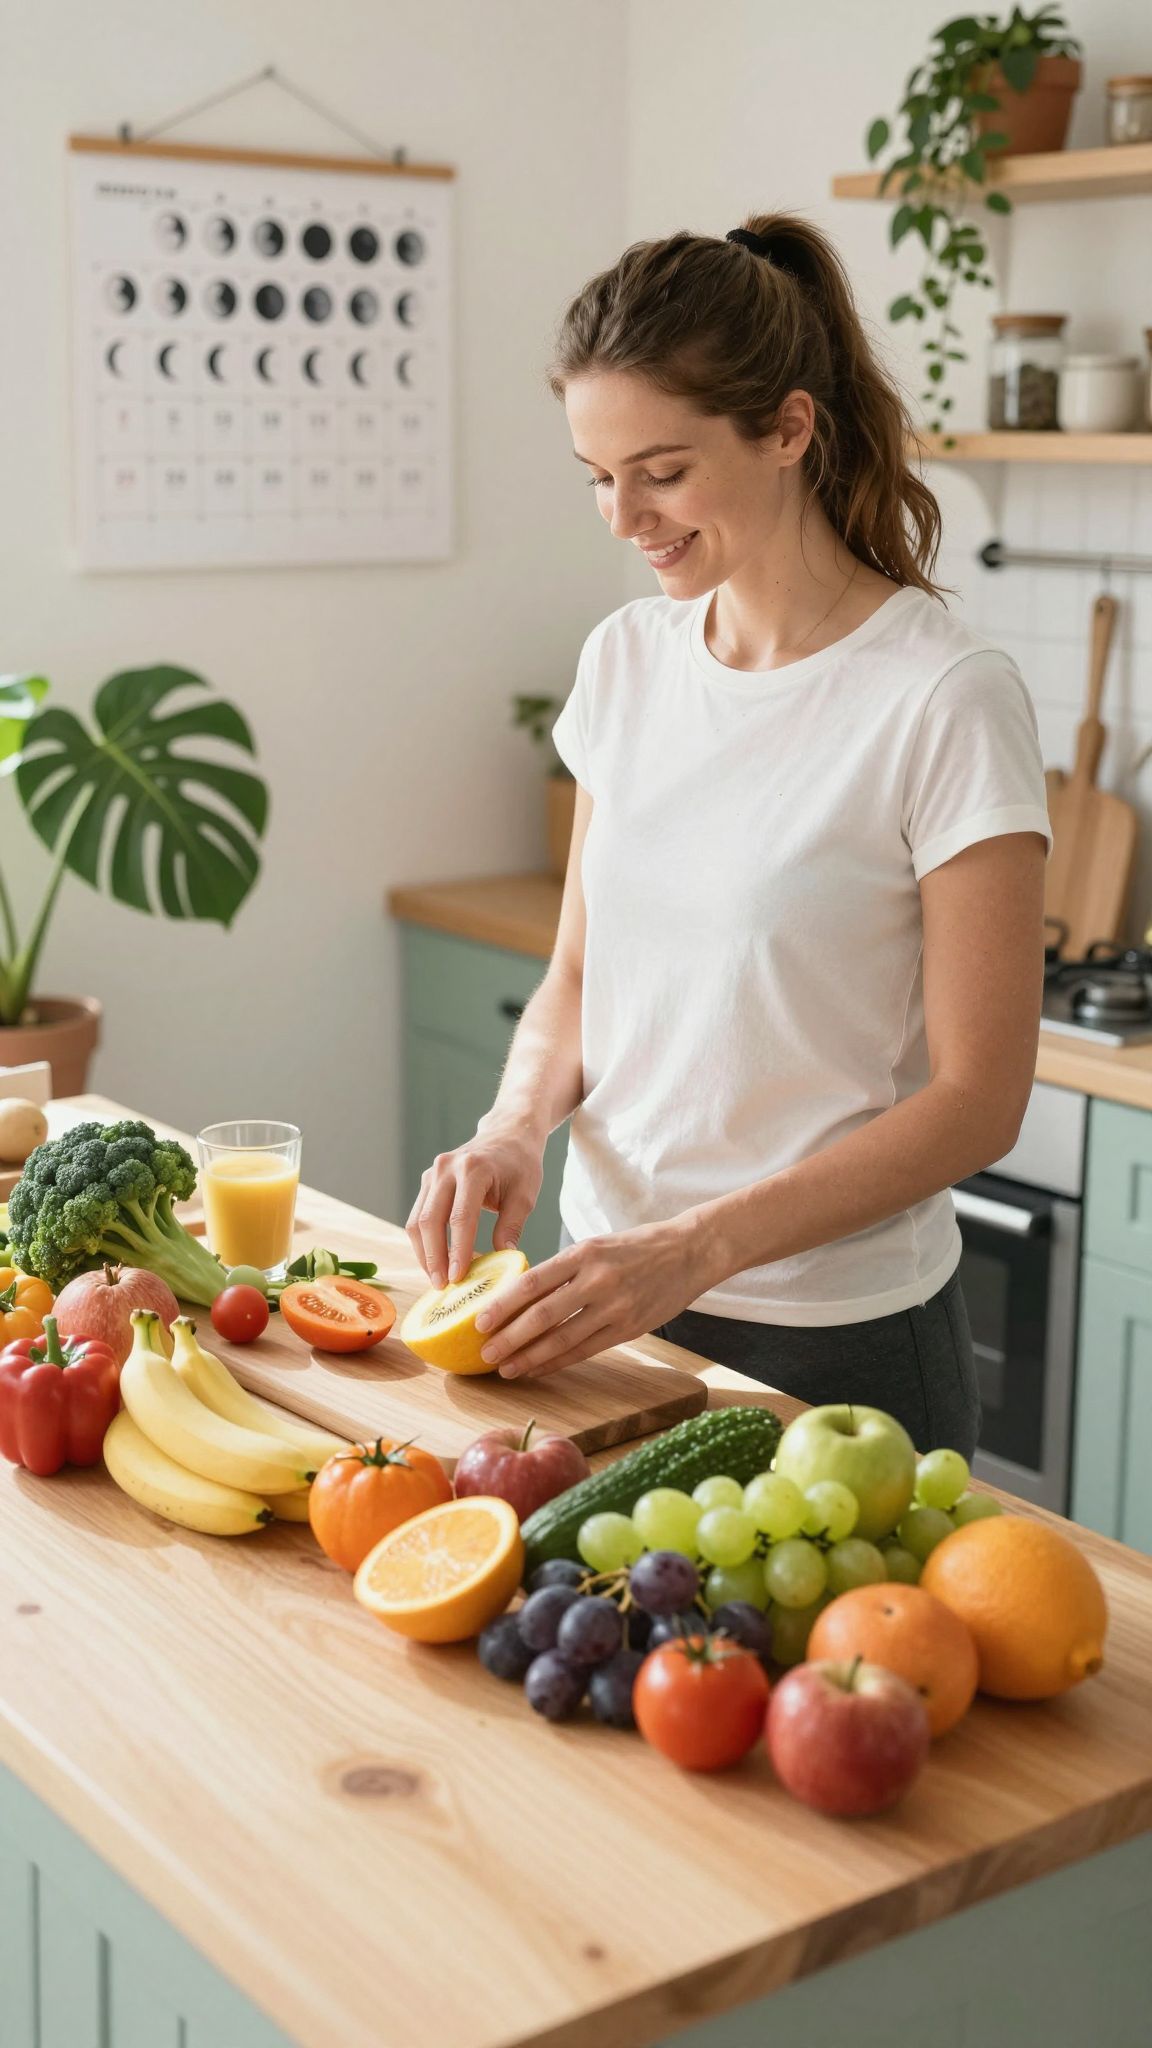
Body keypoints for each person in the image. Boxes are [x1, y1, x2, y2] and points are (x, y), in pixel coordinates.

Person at [405, 213, 1051, 1457]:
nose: (622, 515)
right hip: (608, 1307)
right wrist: (508, 1127)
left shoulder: (941, 693)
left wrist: (696, 1246)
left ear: (790, 429)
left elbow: (981, 1099)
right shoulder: (627, 660)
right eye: (598, 475)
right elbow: (582, 978)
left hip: (838, 1345)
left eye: (661, 469)